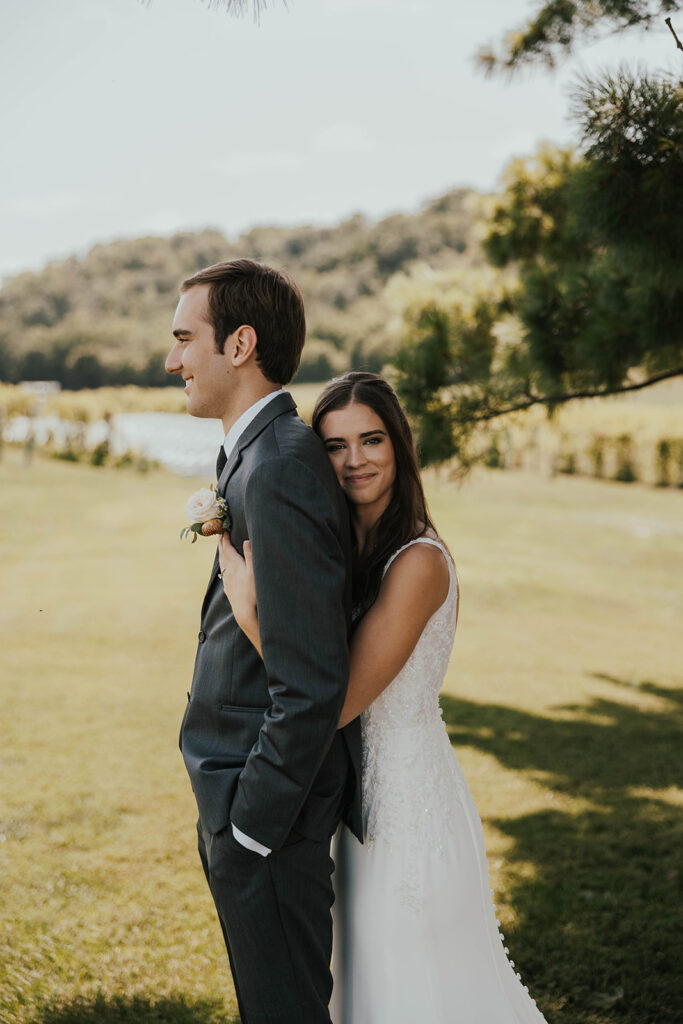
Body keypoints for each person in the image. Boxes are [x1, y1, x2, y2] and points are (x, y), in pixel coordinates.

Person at [219, 371, 549, 1023]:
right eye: (335, 446)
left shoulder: (417, 561)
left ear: (398, 445)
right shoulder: (348, 549)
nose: (353, 461)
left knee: (418, 990)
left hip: (407, 811)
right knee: (361, 992)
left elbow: (334, 702)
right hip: (351, 804)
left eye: (370, 440)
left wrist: (249, 612)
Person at [166, 259, 362, 1024]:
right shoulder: (253, 456)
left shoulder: (277, 465)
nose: (173, 359)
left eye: (186, 338)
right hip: (240, 803)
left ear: (239, 343)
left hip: (266, 824)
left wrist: (250, 827)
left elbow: (311, 681)